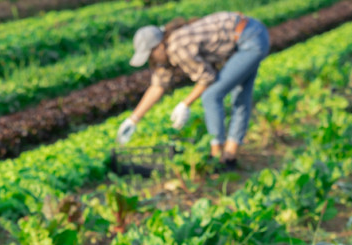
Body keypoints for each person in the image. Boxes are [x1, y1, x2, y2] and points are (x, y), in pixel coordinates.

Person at [115, 12, 270, 167]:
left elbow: (207, 78)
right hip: (247, 35)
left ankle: (216, 154)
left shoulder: (177, 46)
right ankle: (229, 157)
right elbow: (157, 86)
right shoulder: (167, 48)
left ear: (160, 45)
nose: (152, 60)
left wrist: (185, 103)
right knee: (240, 97)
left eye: (151, 55)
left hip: (250, 38)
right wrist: (133, 120)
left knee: (212, 96)